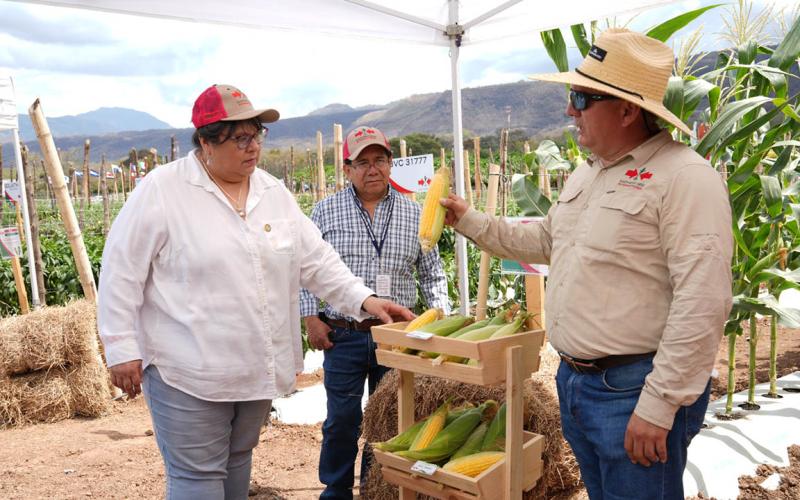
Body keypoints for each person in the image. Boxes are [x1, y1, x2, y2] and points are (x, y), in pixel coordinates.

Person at [440, 29, 733, 499]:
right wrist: (471, 221)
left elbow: (703, 301)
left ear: (627, 110)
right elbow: (546, 240)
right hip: (577, 384)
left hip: (635, 391)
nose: (569, 110)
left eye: (580, 98)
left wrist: (658, 405)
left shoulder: (685, 178)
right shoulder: (589, 171)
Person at [96, 84, 414, 500]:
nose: (254, 147)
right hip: (188, 370)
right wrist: (121, 347)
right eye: (240, 138)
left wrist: (364, 300)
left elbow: (316, 261)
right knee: (197, 477)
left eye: (257, 135)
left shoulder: (271, 192)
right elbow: (121, 271)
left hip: (254, 369)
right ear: (206, 142)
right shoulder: (163, 191)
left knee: (237, 461)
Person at [299, 126, 449, 499]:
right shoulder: (325, 211)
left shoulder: (415, 213)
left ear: (390, 164)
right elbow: (304, 269)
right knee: (341, 421)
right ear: (347, 168)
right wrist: (311, 318)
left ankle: (375, 490)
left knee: (389, 420)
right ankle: (336, 490)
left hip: (398, 337)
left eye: (379, 160)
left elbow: (433, 274)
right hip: (343, 334)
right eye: (362, 162)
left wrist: (440, 319)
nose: (372, 169)